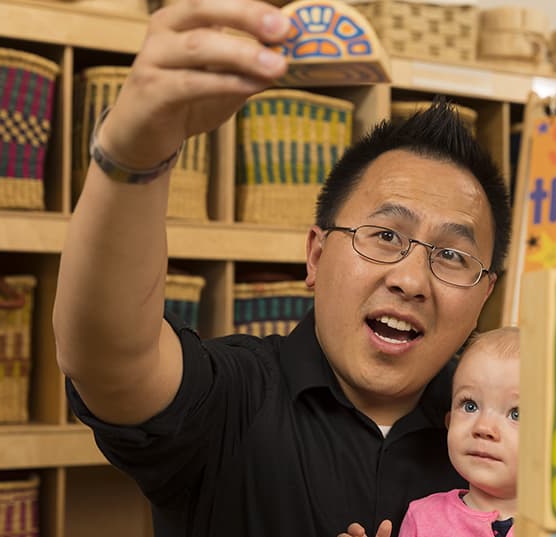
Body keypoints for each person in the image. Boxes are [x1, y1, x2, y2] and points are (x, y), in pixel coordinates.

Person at [52, 1, 511, 536]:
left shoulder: (510, 438)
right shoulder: (230, 401)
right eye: (385, 236)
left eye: (452, 256)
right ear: (316, 256)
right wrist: (134, 153)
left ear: (484, 295)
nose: (410, 280)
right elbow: (107, 354)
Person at [340, 327, 519, 537]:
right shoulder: (422, 517)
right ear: (449, 422)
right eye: (470, 406)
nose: (484, 428)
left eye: (516, 414)